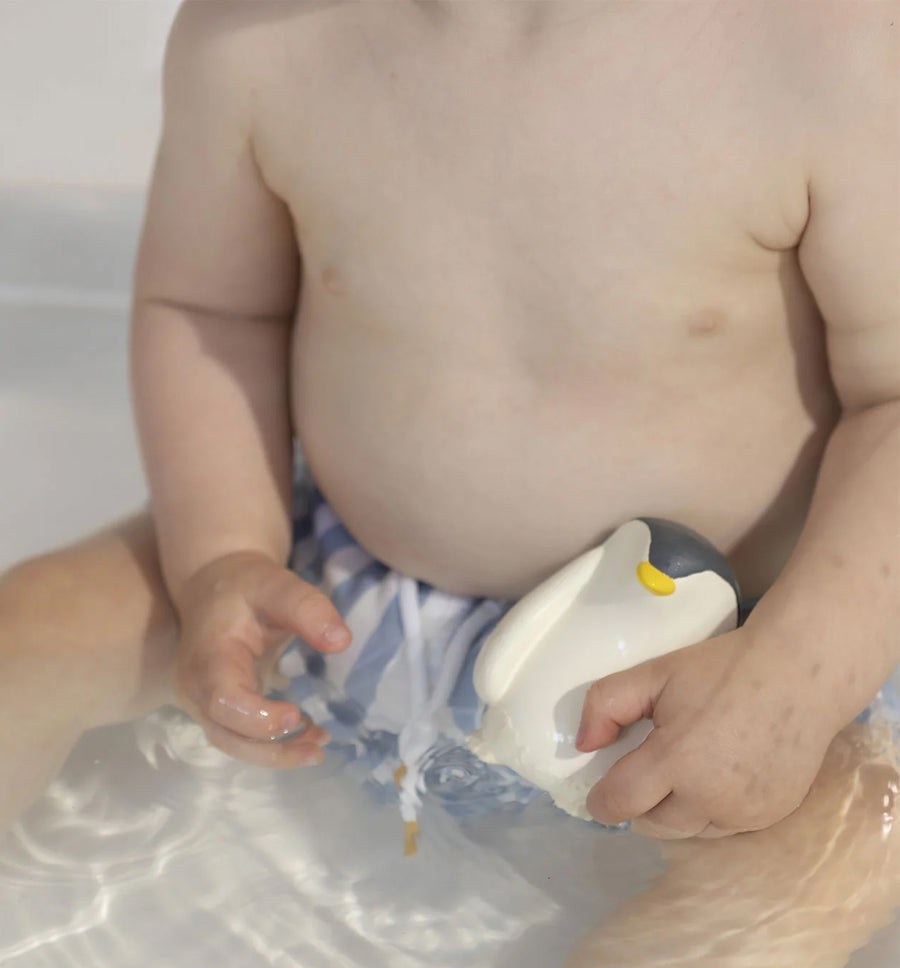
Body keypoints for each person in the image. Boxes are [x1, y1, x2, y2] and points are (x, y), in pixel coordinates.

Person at [0, 0, 897, 845]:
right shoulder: (258, 35)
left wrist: (795, 679)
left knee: (816, 863)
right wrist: (222, 557)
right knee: (25, 635)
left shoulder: (822, 44)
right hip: (331, 584)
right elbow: (211, 310)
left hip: (735, 650)